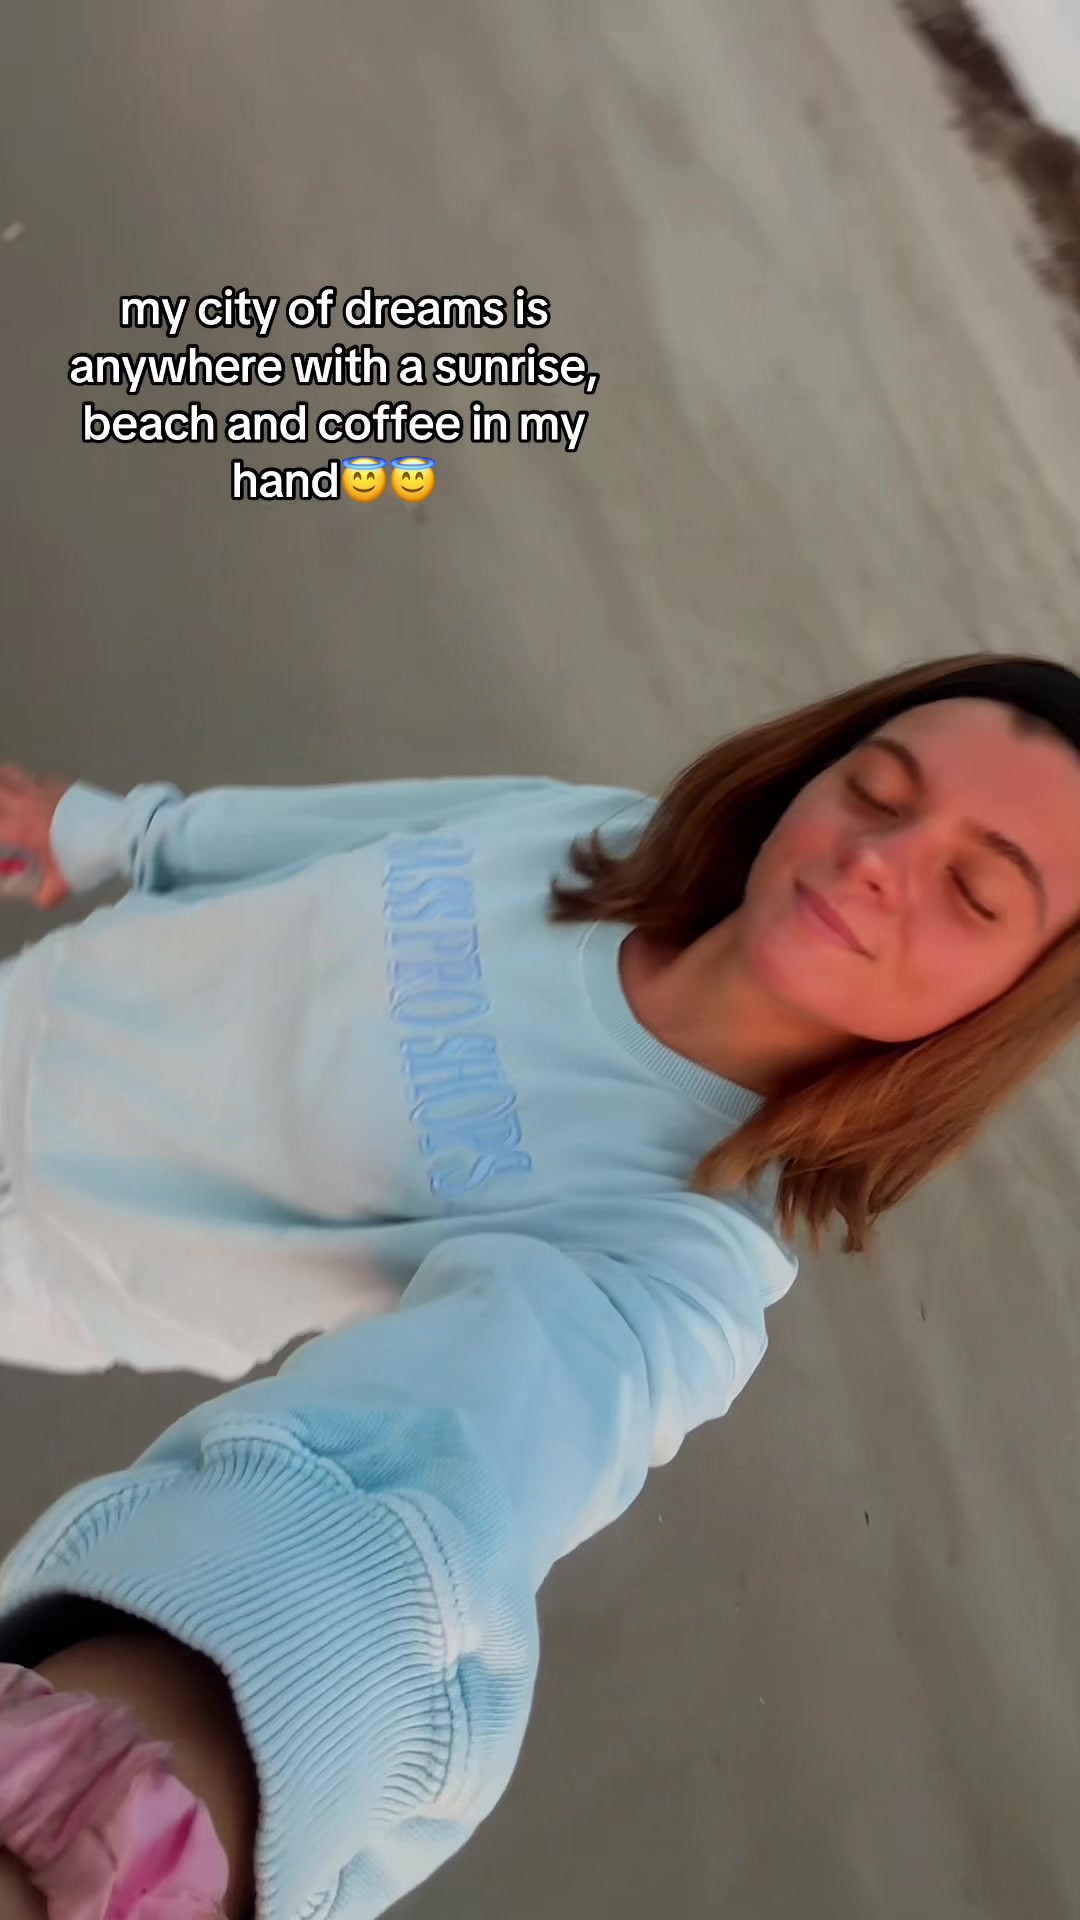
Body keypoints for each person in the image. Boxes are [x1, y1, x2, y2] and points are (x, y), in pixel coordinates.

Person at [2, 651, 1080, 1919]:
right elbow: (330, 842)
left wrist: (101, 1819)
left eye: (973, 891)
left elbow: (406, 1517)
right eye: (877, 791)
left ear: (1008, 1000)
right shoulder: (595, 835)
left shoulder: (671, 1259)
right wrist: (111, 830)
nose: (879, 860)